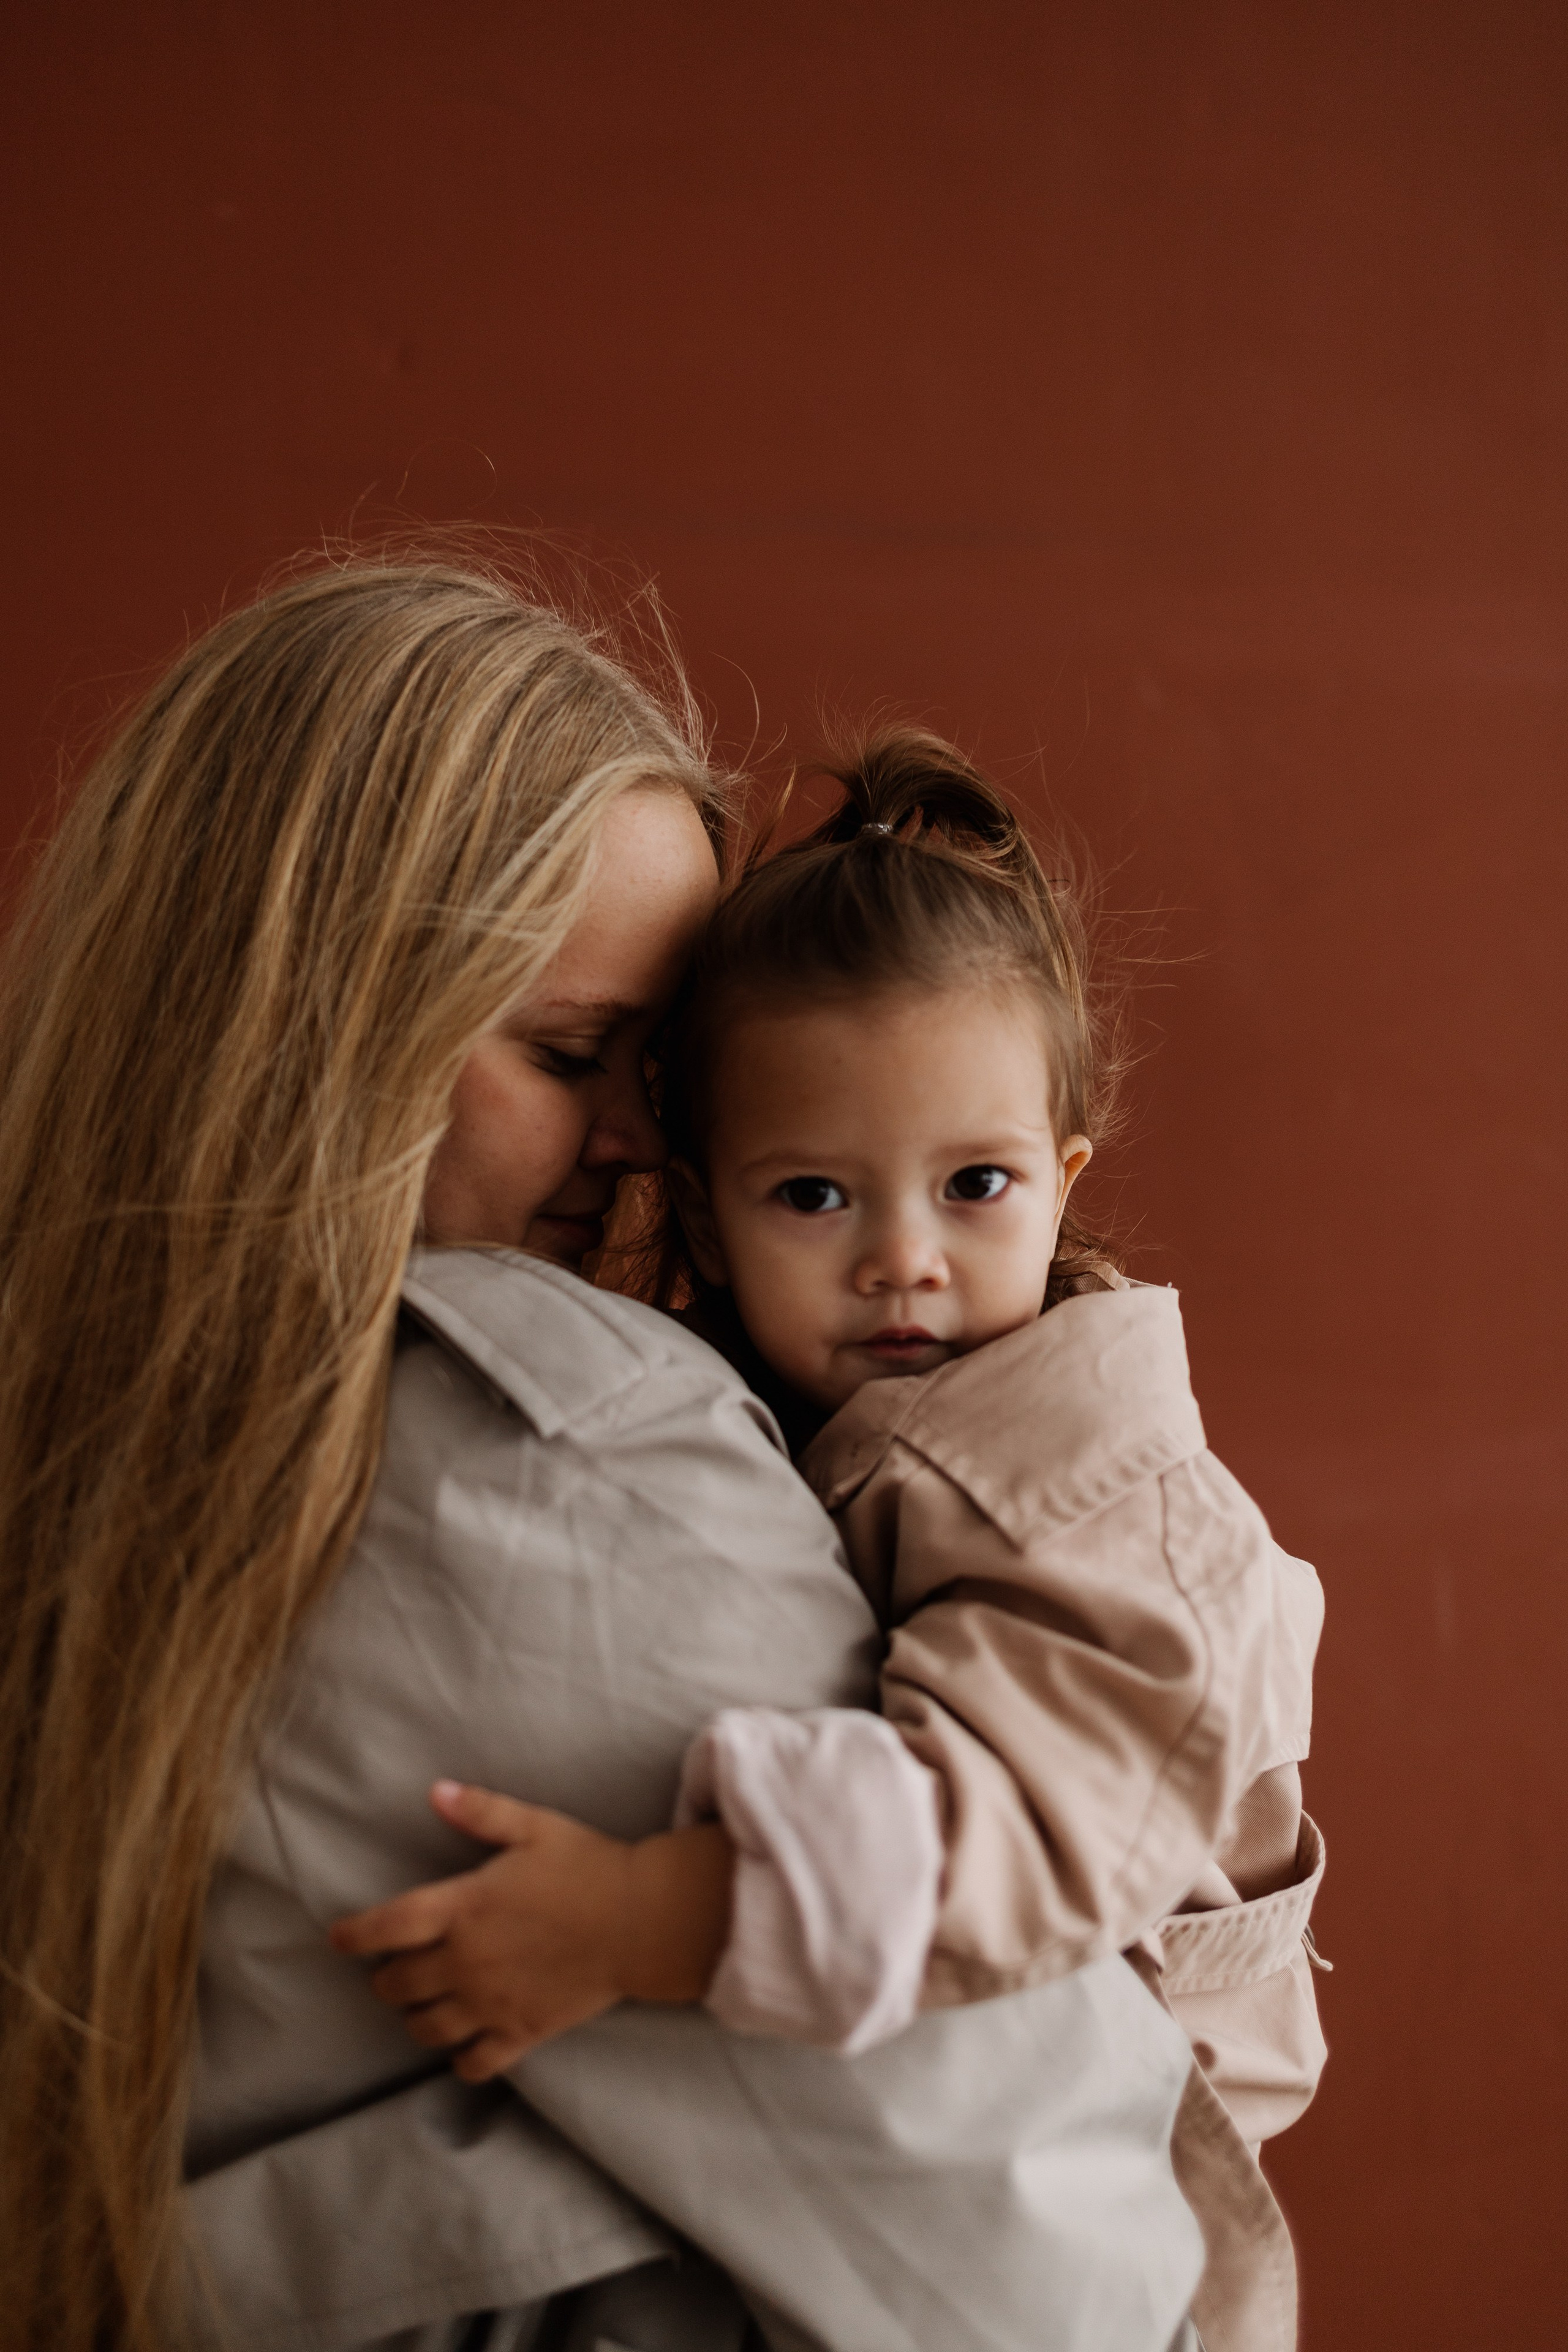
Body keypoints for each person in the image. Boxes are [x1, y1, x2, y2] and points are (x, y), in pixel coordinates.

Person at [0, 560, 1204, 2352]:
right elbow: (1055, 2278)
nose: (650, 1149)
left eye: (673, 1075)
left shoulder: (77, 1417)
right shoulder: (530, 1421)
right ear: (325, 1025)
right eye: (579, 1052)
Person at [335, 732, 1329, 2352]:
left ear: (1063, 1181)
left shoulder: (1092, 1497)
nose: (904, 1263)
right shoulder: (790, 1412)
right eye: (816, 1197)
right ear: (710, 1209)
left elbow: (994, 1838)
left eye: (977, 1184)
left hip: (1149, 2165)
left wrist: (646, 1920)